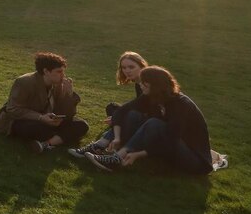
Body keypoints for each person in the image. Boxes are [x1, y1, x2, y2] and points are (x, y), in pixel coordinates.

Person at [83, 66, 213, 174]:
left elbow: (171, 138)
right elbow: (123, 110)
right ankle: (104, 145)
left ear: (154, 84)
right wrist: (117, 137)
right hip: (171, 147)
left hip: (195, 161)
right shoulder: (152, 96)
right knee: (134, 115)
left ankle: (116, 159)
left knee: (154, 123)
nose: (140, 85)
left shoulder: (181, 104)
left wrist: (139, 154)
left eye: (144, 82)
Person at [0, 52, 89, 153]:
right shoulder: (24, 82)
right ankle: (59, 138)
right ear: (46, 71)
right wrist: (41, 118)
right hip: (22, 120)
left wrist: (69, 94)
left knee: (82, 125)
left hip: (48, 119)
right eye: (59, 71)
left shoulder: (58, 84)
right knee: (37, 129)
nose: (63, 75)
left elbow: (68, 114)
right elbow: (12, 109)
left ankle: (46, 144)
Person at [69, 52, 148, 159]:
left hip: (150, 123)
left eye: (131, 67)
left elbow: (146, 110)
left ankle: (100, 144)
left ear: (141, 66)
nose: (127, 71)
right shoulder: (138, 82)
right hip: (140, 117)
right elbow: (139, 103)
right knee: (112, 107)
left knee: (130, 114)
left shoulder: (148, 82)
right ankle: (109, 138)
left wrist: (118, 118)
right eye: (124, 68)